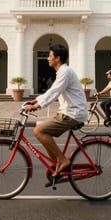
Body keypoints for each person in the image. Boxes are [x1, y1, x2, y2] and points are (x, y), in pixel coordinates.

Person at [24, 44, 88, 178]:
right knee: (45, 132)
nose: (48, 58)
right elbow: (52, 91)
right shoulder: (63, 72)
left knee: (38, 131)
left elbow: (54, 92)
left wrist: (37, 106)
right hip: (69, 111)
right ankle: (57, 165)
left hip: (73, 113)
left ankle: (63, 160)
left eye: (50, 56)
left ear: (57, 58)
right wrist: (36, 100)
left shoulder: (65, 72)